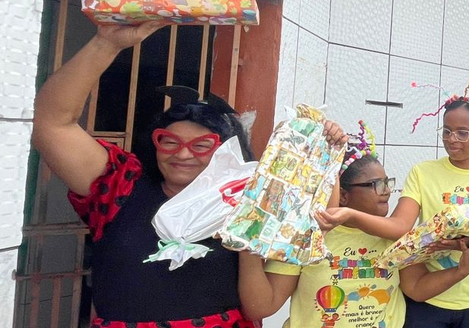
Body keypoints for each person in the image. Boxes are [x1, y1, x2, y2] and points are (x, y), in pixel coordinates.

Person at [31, 22, 346, 327]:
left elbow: (317, 215)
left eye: (202, 146)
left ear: (227, 152)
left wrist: (326, 152)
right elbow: (53, 124)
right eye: (169, 142)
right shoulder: (119, 187)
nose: (182, 154)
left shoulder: (257, 204)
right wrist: (106, 43)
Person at [323, 94, 469, 327]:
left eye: (462, 133)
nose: (452, 139)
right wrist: (350, 215)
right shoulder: (422, 172)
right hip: (430, 297)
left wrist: (457, 244)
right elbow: (400, 226)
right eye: (446, 131)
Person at [239, 127, 405, 328]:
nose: (387, 191)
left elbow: (419, 289)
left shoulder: (396, 235)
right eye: (376, 184)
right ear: (343, 195)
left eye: (387, 183)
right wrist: (246, 243)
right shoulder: (306, 235)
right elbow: (261, 307)